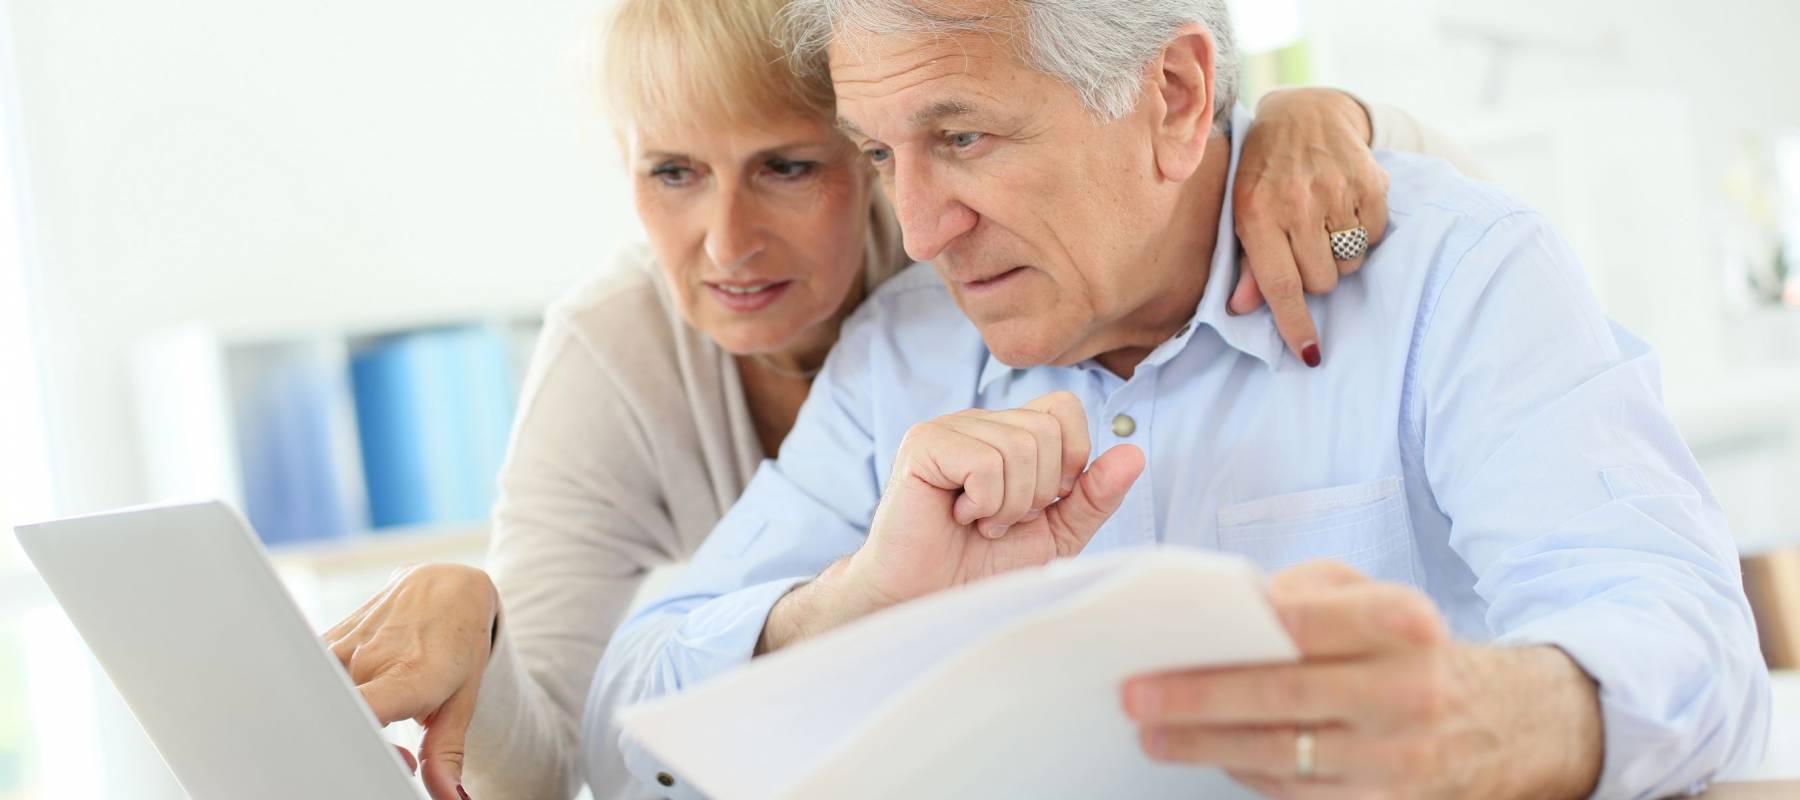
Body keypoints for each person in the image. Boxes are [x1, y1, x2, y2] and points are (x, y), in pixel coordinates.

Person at [587, 1, 1772, 798]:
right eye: (884, 155)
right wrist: (854, 601)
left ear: (1171, 93)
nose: (920, 228)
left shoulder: (1449, 277)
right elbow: (626, 712)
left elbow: (1695, 646)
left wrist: (1485, 714)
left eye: (964, 137)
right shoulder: (902, 358)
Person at [317, 1, 1472, 798]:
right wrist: (474, 618)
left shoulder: (952, 264)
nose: (726, 242)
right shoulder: (618, 354)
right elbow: (587, 738)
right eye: (671, 171)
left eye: (790, 165)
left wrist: (1318, 112)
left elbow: (1291, 179)